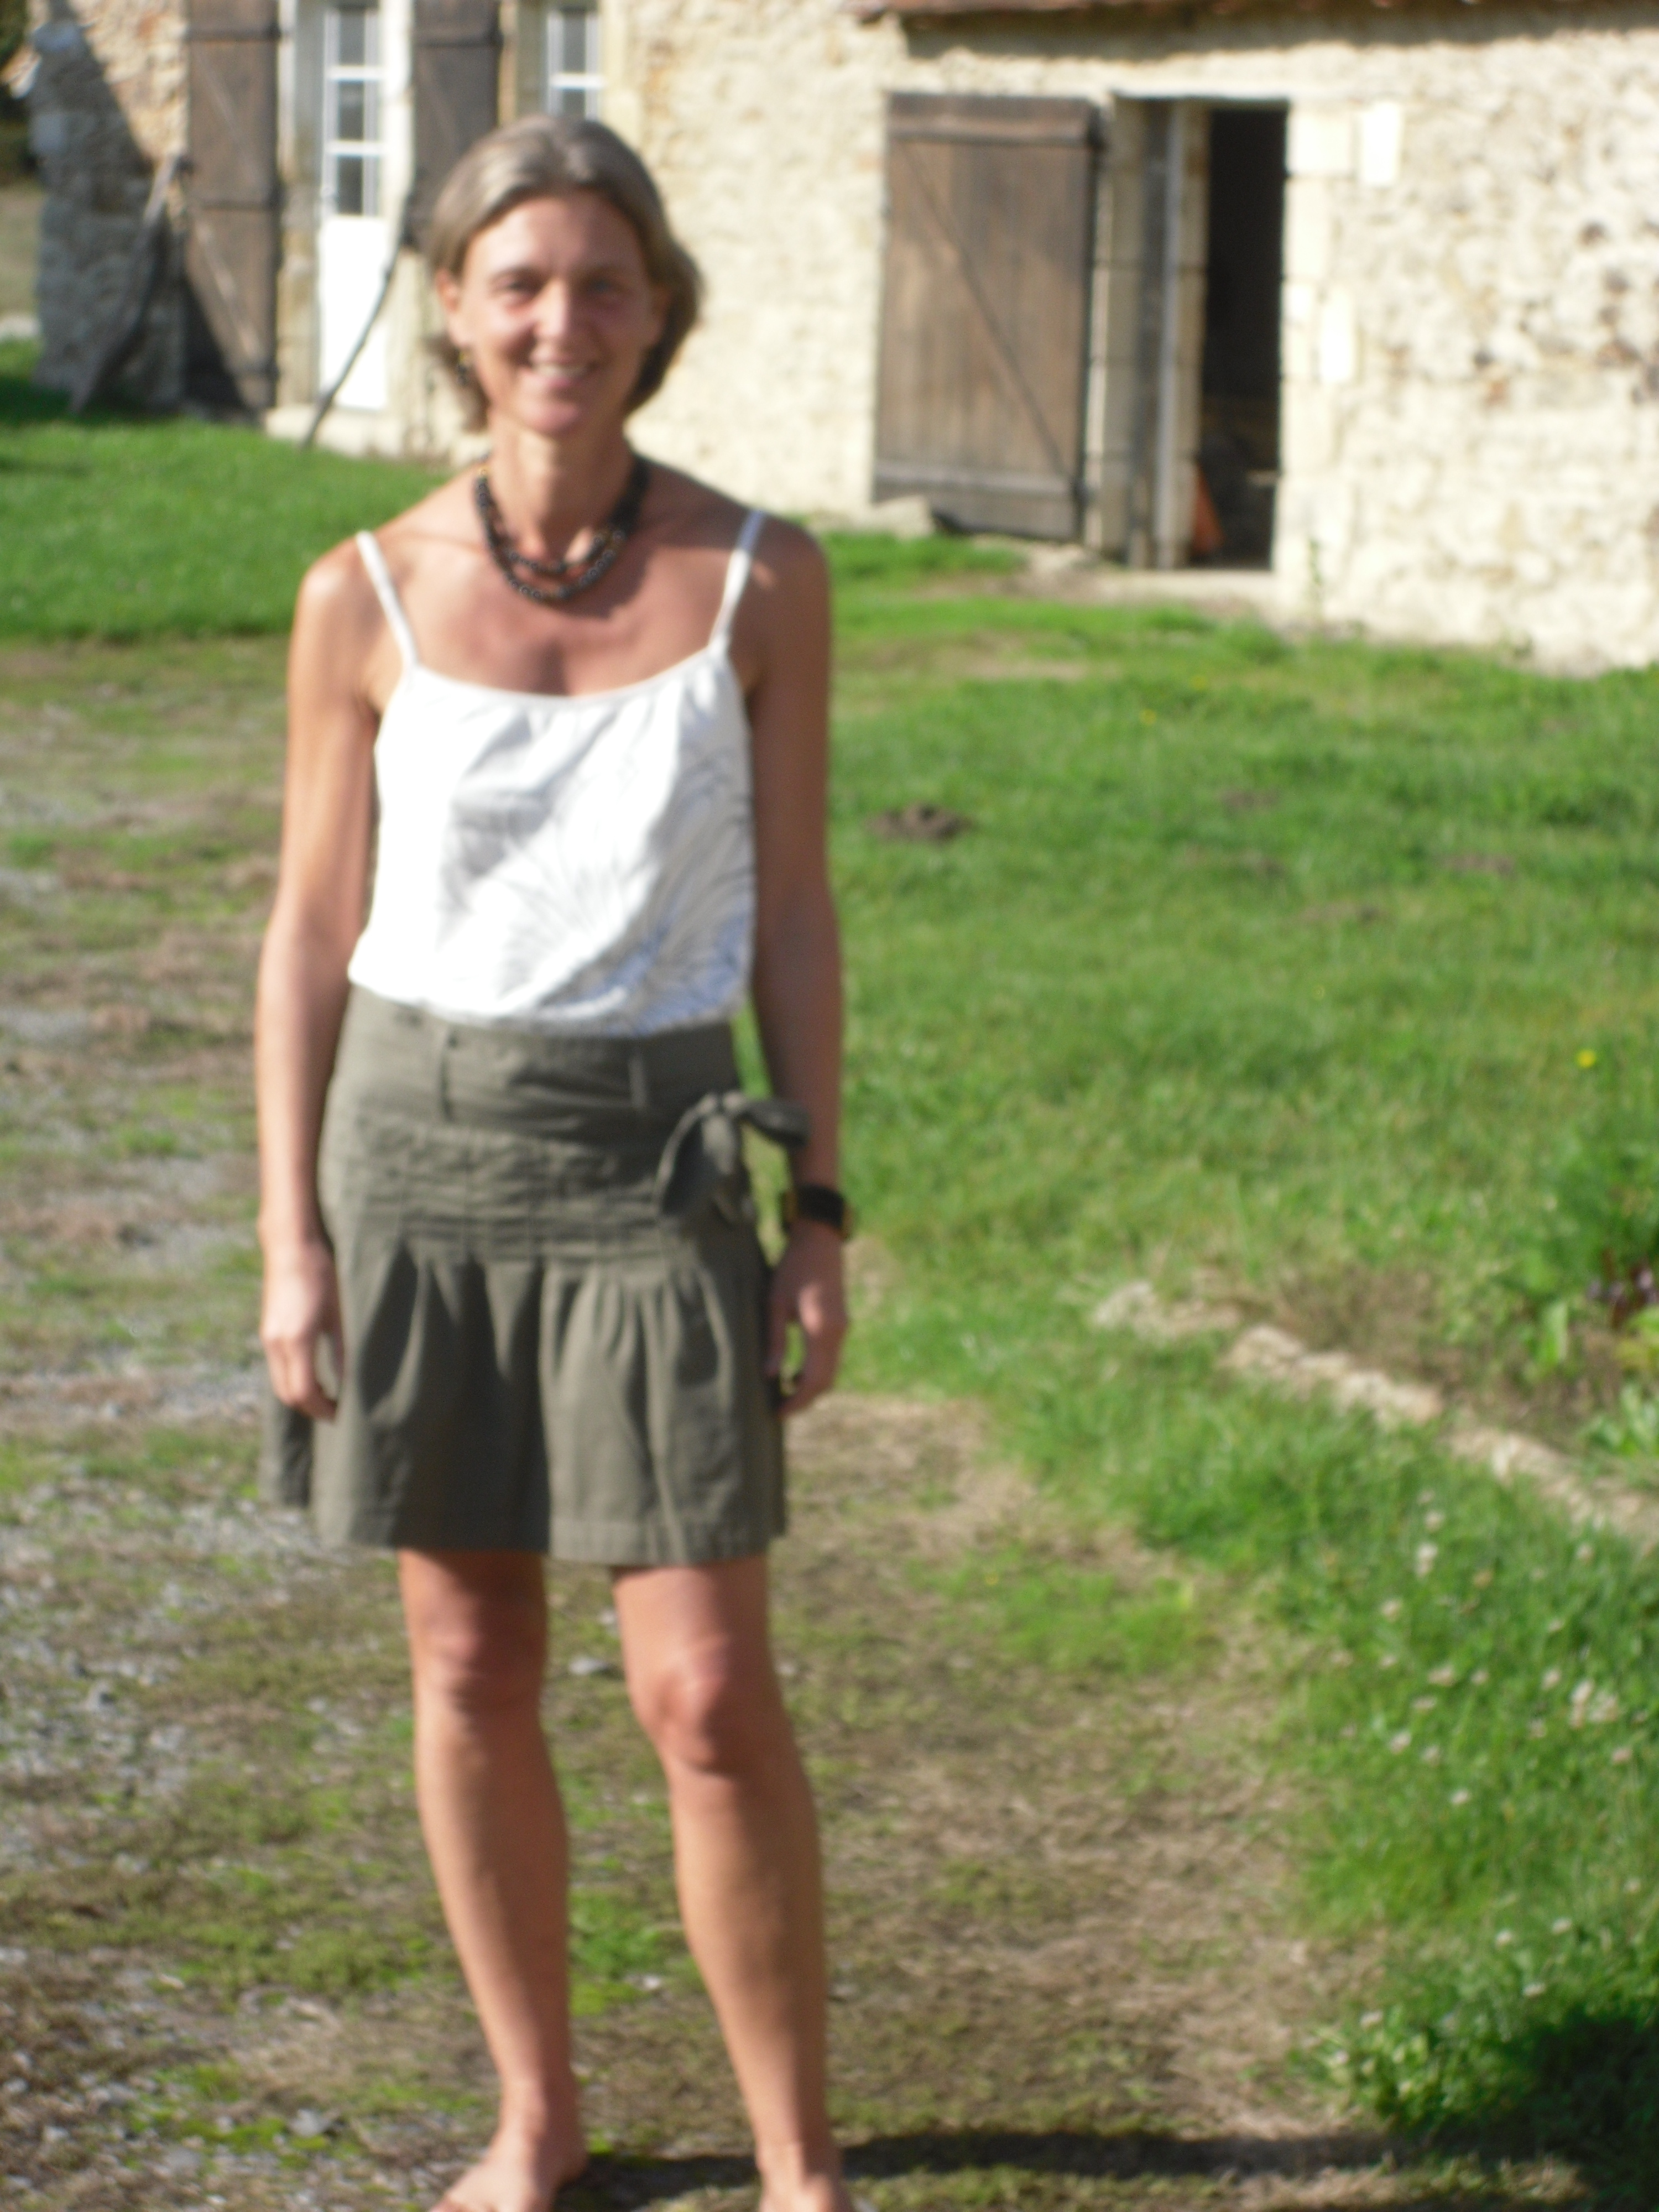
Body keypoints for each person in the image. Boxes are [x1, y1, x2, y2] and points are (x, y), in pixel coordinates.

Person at [255, 114, 852, 2212]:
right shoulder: (360, 595)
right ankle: (537, 2117)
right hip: (414, 1161)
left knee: (706, 1692)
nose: (561, 322)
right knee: (470, 1661)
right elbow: (306, 932)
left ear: (659, 308)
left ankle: (797, 2161)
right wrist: (292, 1240)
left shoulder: (763, 578)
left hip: (657, 1167)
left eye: (604, 282)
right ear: (454, 307)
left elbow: (794, 911)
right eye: (519, 282)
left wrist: (819, 1209)